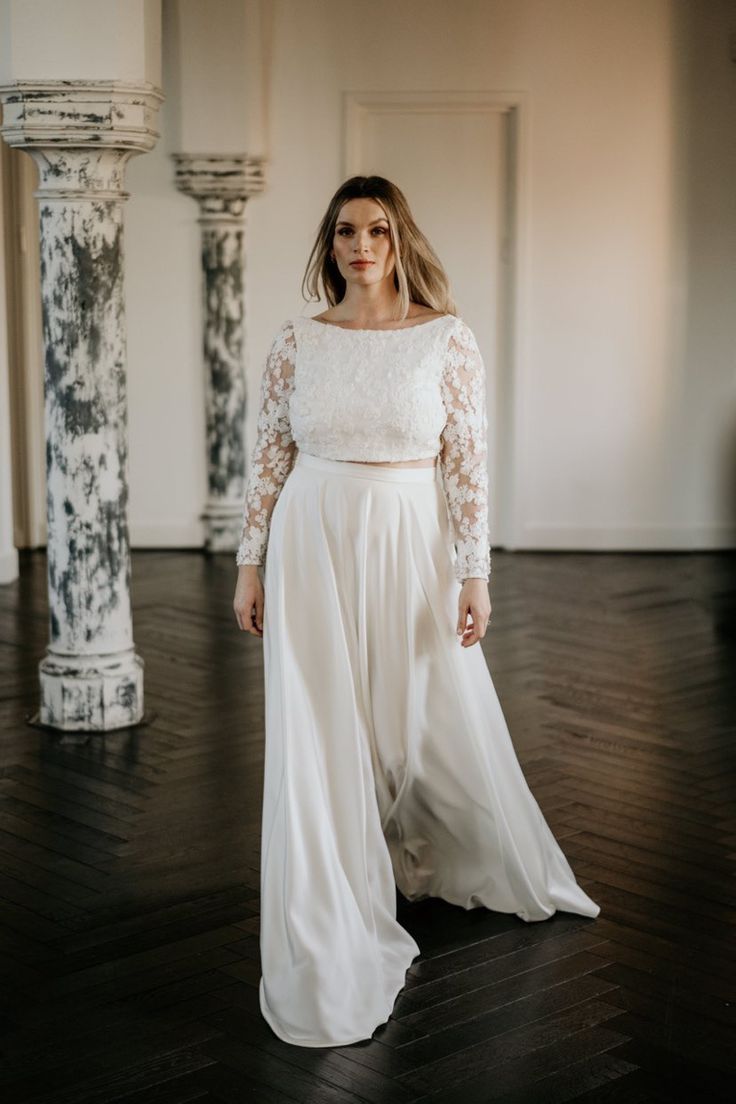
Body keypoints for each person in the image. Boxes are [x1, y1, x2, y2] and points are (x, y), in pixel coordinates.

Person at [232, 175, 600, 1049]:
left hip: (408, 537)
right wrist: (250, 563)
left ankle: (418, 847)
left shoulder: (446, 340)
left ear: (402, 243)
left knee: (414, 713)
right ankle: (329, 900)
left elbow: (468, 464)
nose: (362, 247)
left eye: (379, 231)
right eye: (347, 232)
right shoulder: (296, 342)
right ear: (329, 246)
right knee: (320, 727)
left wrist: (474, 574)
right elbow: (269, 456)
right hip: (310, 537)